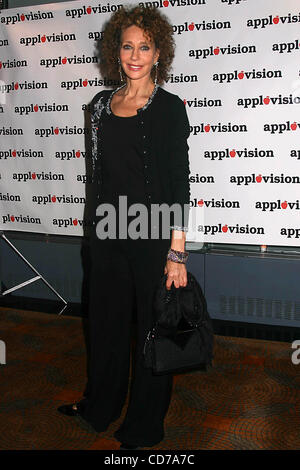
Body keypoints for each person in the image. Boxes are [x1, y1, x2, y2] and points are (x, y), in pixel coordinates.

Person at [58, 5, 191, 449]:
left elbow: (178, 181)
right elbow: (97, 177)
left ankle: (143, 424)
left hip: (152, 237)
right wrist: (92, 237)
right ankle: (100, 407)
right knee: (106, 327)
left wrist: (176, 251)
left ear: (158, 54)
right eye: (128, 46)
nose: (135, 55)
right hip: (106, 236)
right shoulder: (98, 107)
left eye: (145, 47)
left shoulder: (169, 108)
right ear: (117, 51)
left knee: (153, 333)